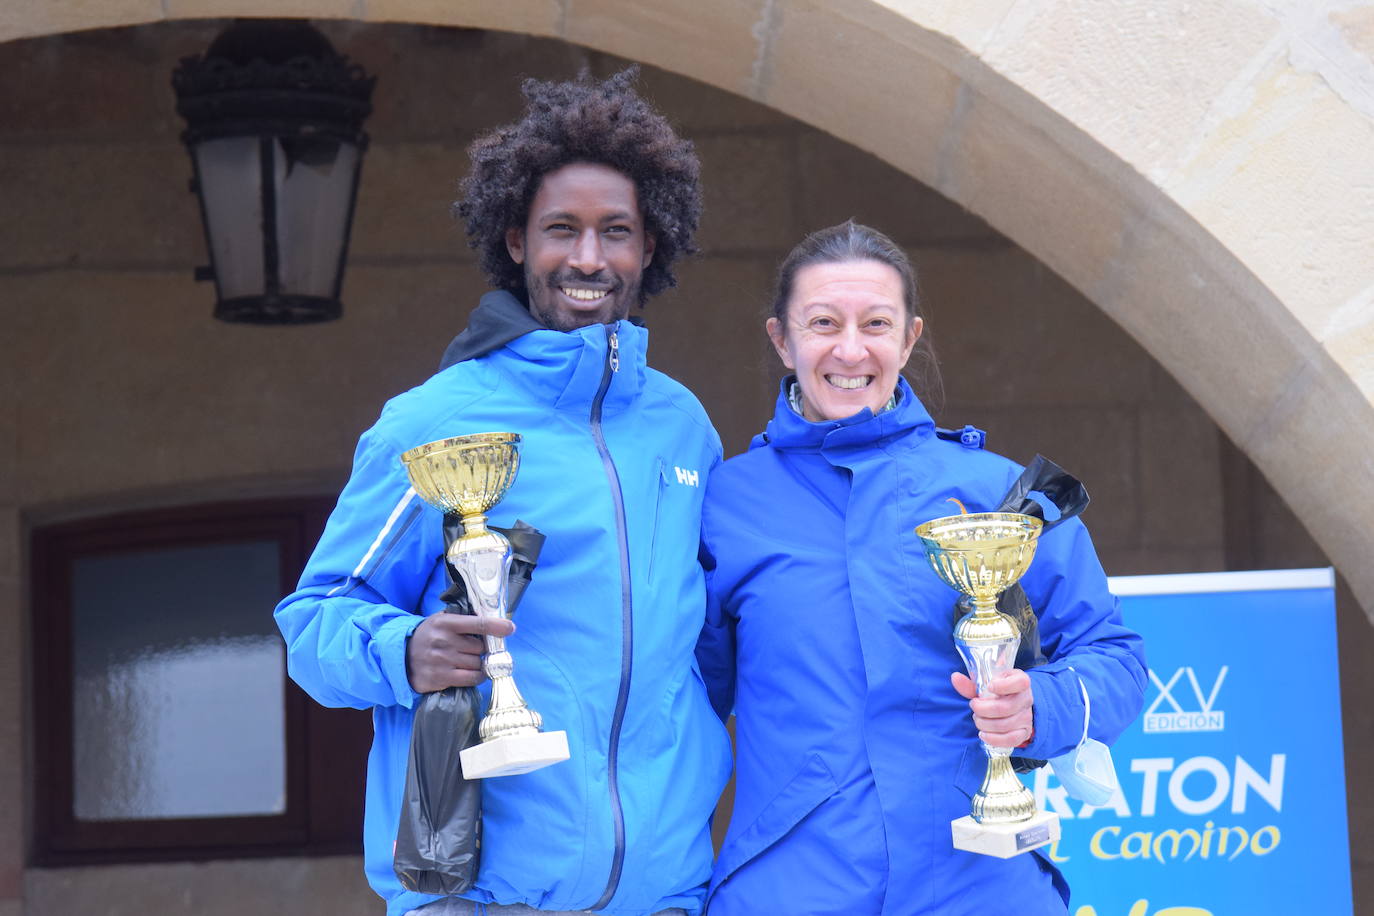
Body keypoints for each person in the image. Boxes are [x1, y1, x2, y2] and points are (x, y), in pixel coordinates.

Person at [275, 70, 732, 916]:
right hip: (483, 898)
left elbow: (708, 643)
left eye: (616, 232)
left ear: (650, 247)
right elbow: (315, 622)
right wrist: (403, 650)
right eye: (562, 230)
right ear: (517, 241)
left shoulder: (682, 428)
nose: (588, 258)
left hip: (665, 895)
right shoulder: (433, 421)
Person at [695, 221, 1146, 915]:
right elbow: (679, 700)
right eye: (822, 323)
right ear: (782, 340)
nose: (851, 349)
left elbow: (1115, 659)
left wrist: (1038, 707)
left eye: (877, 323)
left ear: (909, 338)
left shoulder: (999, 495)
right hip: (788, 889)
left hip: (980, 887)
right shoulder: (726, 503)